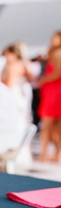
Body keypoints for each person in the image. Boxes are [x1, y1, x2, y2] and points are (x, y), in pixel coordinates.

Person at [38, 31, 61, 162]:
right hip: (53, 91)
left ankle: (44, 153)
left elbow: (57, 73)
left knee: (48, 125)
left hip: (54, 92)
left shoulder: (58, 53)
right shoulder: (53, 53)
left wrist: (43, 80)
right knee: (55, 126)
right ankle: (55, 154)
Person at [1, 44, 30, 127]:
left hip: (13, 95)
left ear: (13, 54)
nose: (5, 57)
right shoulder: (22, 64)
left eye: (6, 54)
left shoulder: (12, 66)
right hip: (21, 95)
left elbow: (8, 85)